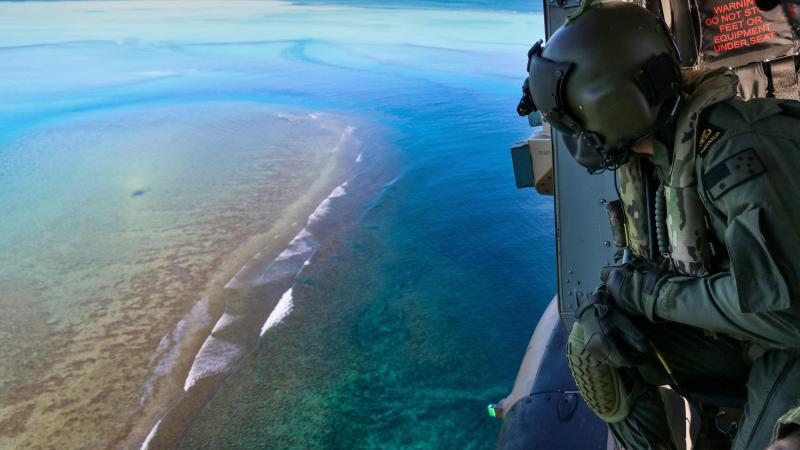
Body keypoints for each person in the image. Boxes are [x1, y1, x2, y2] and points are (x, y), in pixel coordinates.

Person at [522, 2, 800, 449]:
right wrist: (629, 294)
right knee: (596, 337)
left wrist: (654, 296)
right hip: (752, 337)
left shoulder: (738, 154)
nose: (571, 137)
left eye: (573, 122)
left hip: (789, 341)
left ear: (613, 106)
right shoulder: (657, 156)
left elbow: (782, 314)